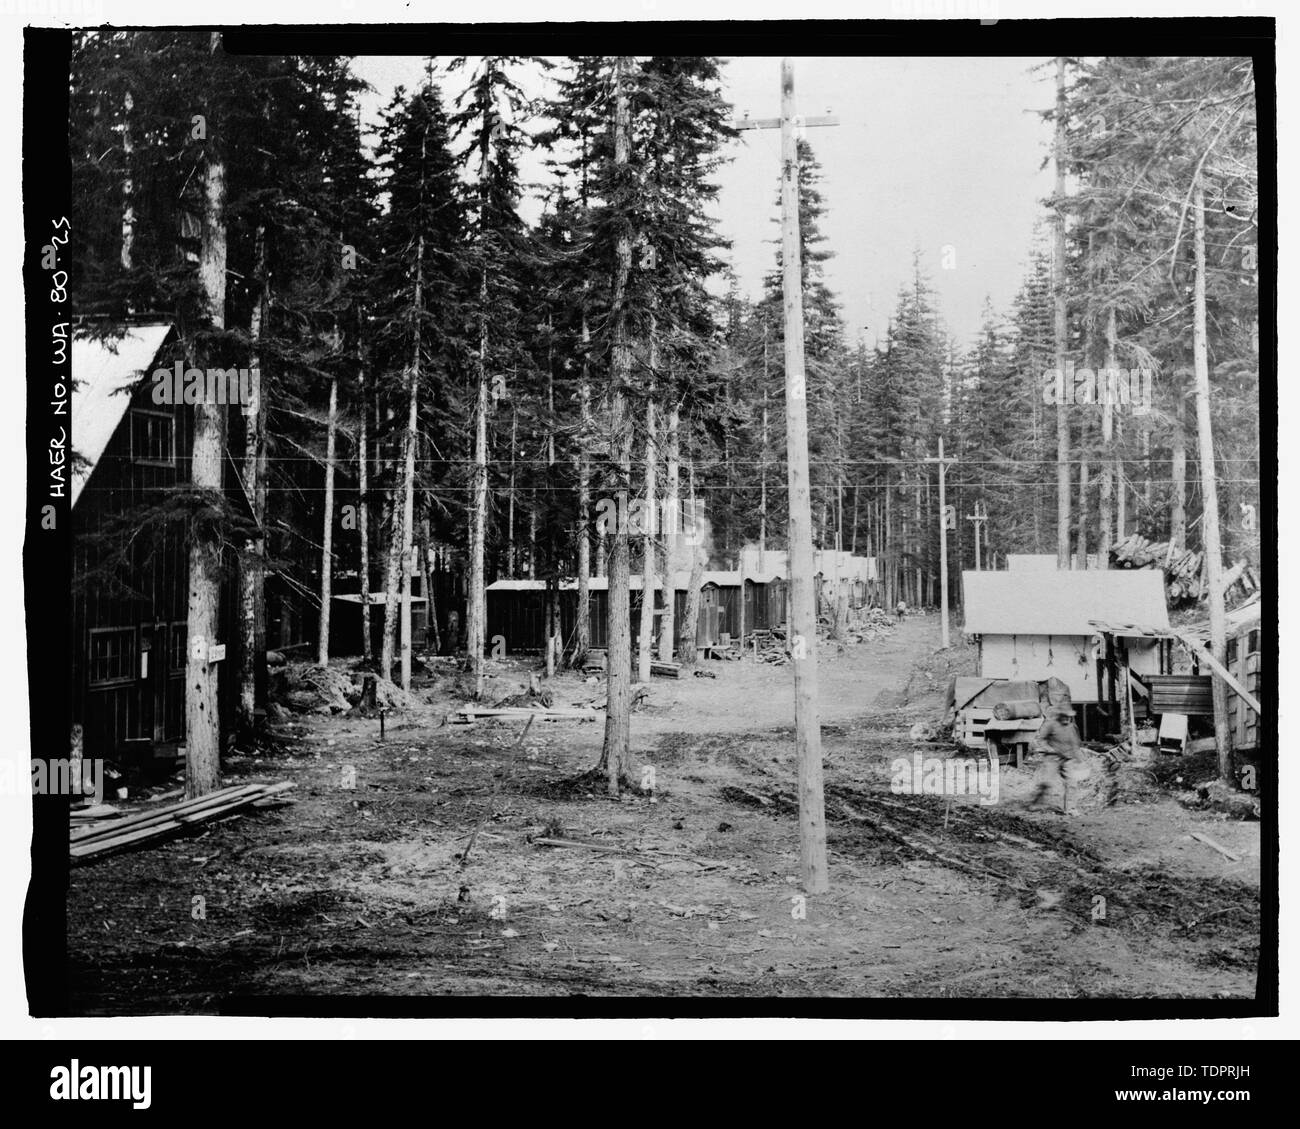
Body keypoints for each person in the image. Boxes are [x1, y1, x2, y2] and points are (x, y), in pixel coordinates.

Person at [1029, 705, 1091, 814]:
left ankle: (1070, 808)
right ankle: (1037, 804)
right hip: (1052, 758)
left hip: (1068, 759)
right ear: (1060, 716)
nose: (1067, 719)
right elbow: (1039, 739)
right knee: (1047, 783)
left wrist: (1081, 759)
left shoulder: (1072, 727)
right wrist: (1049, 749)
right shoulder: (1050, 725)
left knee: (1071, 783)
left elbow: (1075, 745)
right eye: (1064, 716)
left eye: (1069, 717)